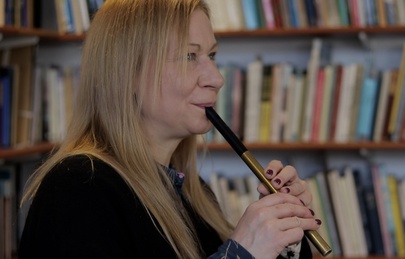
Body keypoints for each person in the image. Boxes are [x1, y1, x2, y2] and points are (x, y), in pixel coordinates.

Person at [18, 0, 321, 258]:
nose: (216, 78)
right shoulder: (78, 188)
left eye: (212, 55)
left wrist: (282, 238)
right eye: (190, 56)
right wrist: (241, 251)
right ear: (128, 74)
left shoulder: (194, 194)